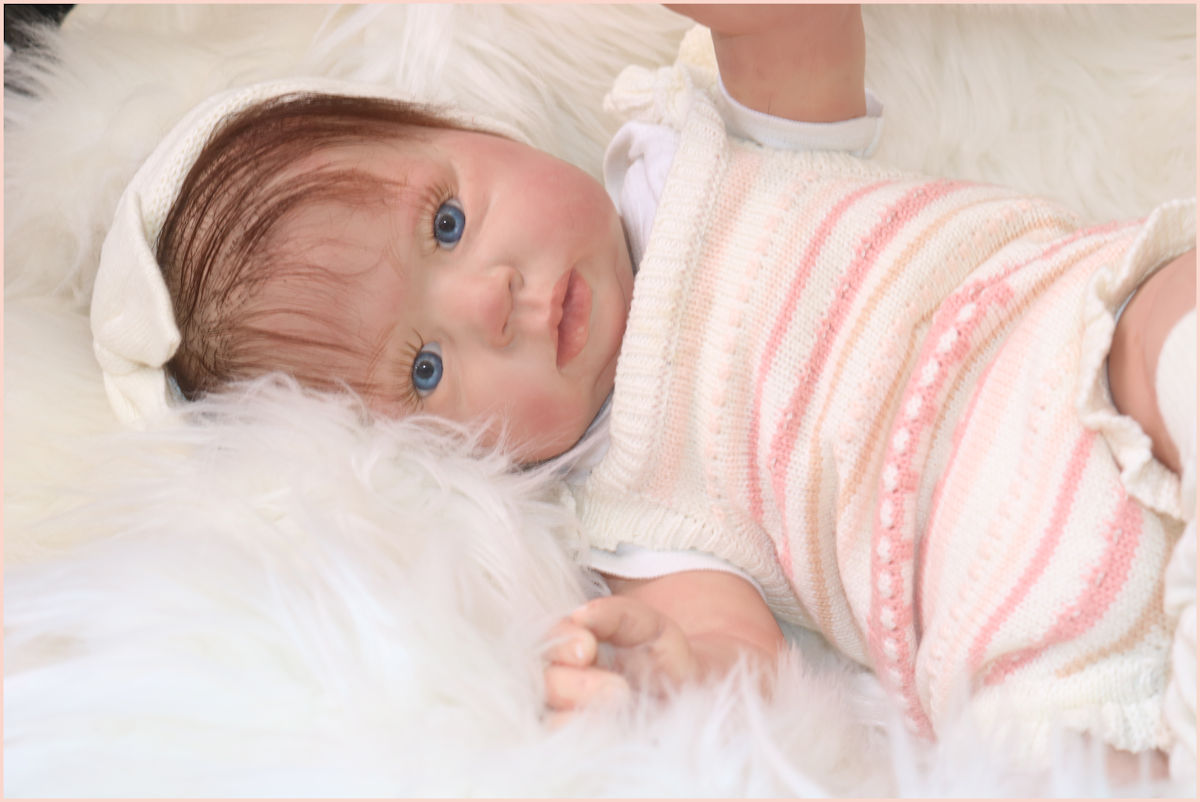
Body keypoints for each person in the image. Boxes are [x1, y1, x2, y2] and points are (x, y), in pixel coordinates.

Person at [91, 4, 1195, 784]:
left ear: (472, 130)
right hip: (993, 601)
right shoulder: (633, 512)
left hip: (1065, 342)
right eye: (426, 368)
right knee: (1046, 763)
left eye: (447, 222)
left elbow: (800, 31)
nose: (492, 299)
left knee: (1174, 322)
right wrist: (668, 672)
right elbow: (743, 664)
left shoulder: (710, 153)